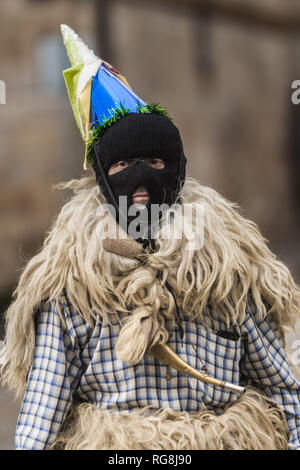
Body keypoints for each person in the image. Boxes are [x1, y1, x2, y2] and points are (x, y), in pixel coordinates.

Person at [1, 25, 300, 450]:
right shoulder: (70, 288)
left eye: (156, 160)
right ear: (103, 177)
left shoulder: (229, 274)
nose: (141, 181)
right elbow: (43, 409)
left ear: (176, 169)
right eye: (123, 165)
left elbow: (282, 388)